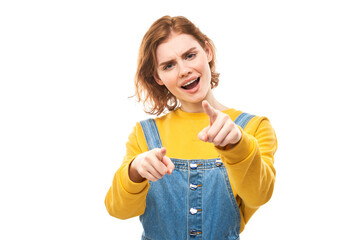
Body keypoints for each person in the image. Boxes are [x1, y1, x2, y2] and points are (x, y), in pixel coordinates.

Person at [105, 15, 278, 240]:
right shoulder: (144, 134)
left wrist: (238, 145)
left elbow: (259, 195)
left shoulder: (254, 127)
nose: (184, 70)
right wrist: (135, 170)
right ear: (158, 77)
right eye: (169, 65)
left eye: (190, 55)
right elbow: (118, 210)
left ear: (207, 51)